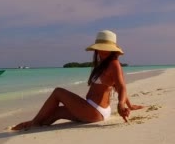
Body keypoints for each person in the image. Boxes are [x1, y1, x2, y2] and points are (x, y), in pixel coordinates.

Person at [11, 30, 143, 131]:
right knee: (55, 113)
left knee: (58, 92)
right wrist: (130, 105)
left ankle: (33, 123)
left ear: (112, 50)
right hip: (93, 110)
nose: (102, 51)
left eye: (106, 48)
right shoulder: (102, 64)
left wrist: (121, 105)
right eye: (100, 47)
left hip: (95, 111)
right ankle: (32, 124)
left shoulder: (113, 63)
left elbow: (121, 86)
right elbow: (115, 85)